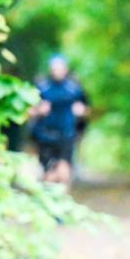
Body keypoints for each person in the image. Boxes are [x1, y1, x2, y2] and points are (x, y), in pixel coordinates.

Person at [29, 55, 90, 188]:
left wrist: (81, 111)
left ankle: (63, 201)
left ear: (66, 69)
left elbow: (87, 110)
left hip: (66, 134)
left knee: (64, 172)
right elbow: (27, 111)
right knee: (49, 175)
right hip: (44, 135)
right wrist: (39, 110)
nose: (58, 71)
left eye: (60, 68)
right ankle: (50, 201)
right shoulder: (41, 88)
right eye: (55, 68)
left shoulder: (74, 89)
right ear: (50, 69)